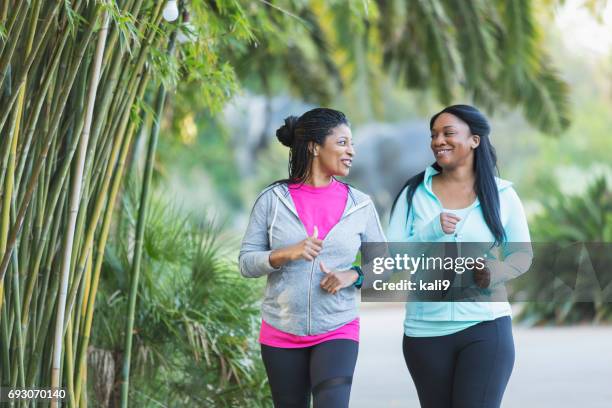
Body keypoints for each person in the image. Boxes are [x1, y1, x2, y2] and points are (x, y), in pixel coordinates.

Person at [239, 108, 386, 408]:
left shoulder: (360, 205)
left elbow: (384, 264)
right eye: (343, 142)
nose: (351, 151)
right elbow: (246, 262)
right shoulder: (273, 200)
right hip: (281, 330)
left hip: (337, 328)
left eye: (352, 144)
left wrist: (354, 276)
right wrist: (285, 253)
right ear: (314, 147)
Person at [388, 105, 532, 408]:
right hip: (424, 333)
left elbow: (522, 254)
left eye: (448, 133)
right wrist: (430, 231)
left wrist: (497, 271)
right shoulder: (413, 193)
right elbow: (392, 257)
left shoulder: (503, 194)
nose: (438, 140)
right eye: (434, 135)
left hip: (485, 326)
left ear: (474, 140)